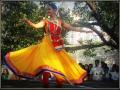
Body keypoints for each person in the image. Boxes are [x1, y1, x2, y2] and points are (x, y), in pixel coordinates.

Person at [5, 3, 91, 87]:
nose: (48, 11)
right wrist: (29, 22)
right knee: (46, 63)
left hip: (57, 46)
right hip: (47, 44)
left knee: (59, 63)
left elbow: (72, 27)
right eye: (47, 9)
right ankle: (45, 83)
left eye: (49, 9)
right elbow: (36, 26)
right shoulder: (45, 21)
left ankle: (59, 82)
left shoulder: (60, 21)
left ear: (55, 10)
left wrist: (85, 31)